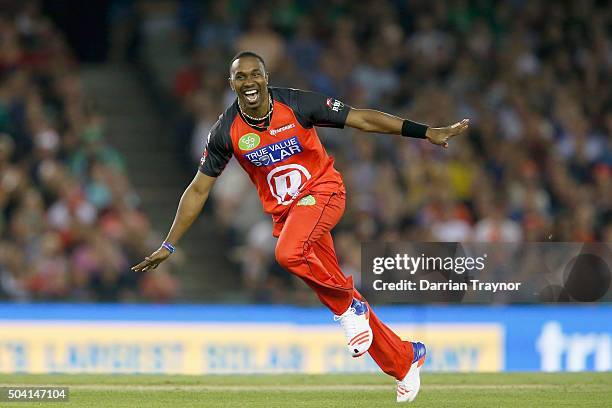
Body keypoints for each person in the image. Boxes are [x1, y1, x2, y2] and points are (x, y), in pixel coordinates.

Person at [132, 51, 469, 403]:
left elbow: (362, 120)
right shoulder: (226, 131)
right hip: (290, 216)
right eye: (241, 77)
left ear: (266, 77)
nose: (249, 81)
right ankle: (404, 358)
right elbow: (199, 188)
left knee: (290, 254)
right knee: (331, 285)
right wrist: (169, 244)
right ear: (232, 84)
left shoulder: (296, 104)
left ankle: (350, 310)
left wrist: (426, 132)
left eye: (255, 74)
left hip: (323, 193)